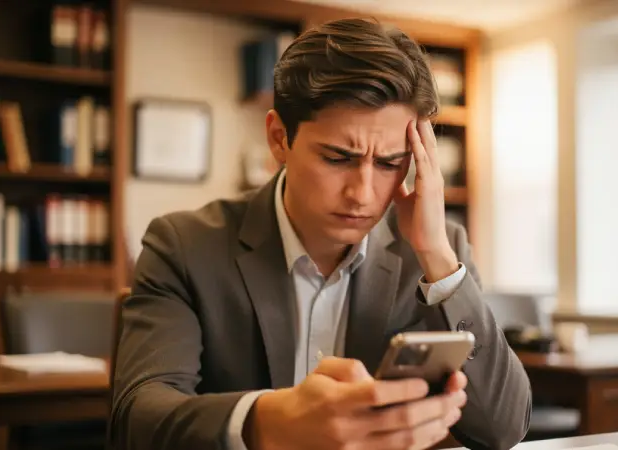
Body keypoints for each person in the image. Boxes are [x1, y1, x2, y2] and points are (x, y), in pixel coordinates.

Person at [110, 17, 532, 450]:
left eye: (390, 163)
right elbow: (137, 419)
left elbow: (502, 430)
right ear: (279, 138)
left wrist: (438, 258)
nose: (362, 194)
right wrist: (267, 421)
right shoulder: (183, 246)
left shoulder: (438, 251)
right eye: (337, 157)